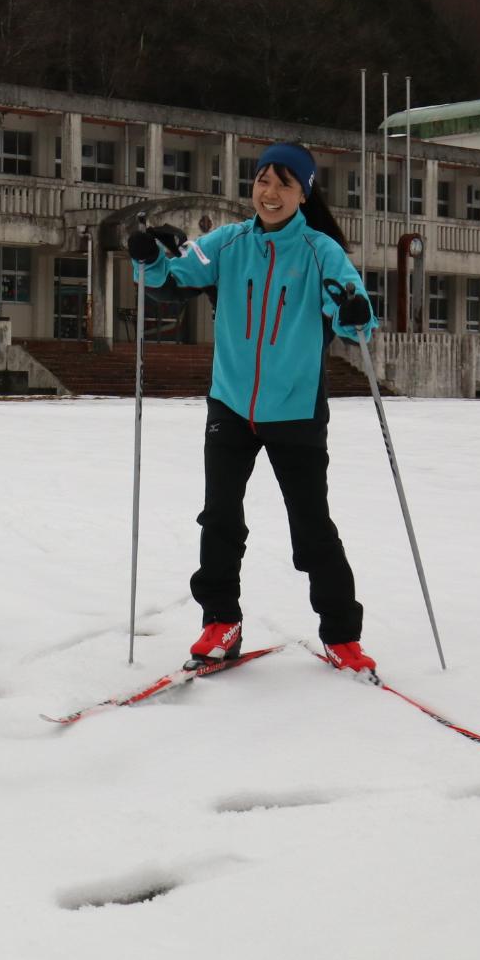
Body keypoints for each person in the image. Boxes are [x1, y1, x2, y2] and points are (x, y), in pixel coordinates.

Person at [126, 142, 381, 675]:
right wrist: (149, 258)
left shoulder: (320, 252)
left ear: (303, 193)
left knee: (311, 526)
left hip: (294, 411)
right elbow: (172, 280)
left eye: (284, 184)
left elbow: (354, 317)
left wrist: (356, 312)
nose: (269, 193)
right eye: (263, 180)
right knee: (220, 518)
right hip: (231, 404)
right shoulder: (228, 243)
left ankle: (342, 635)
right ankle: (221, 622)